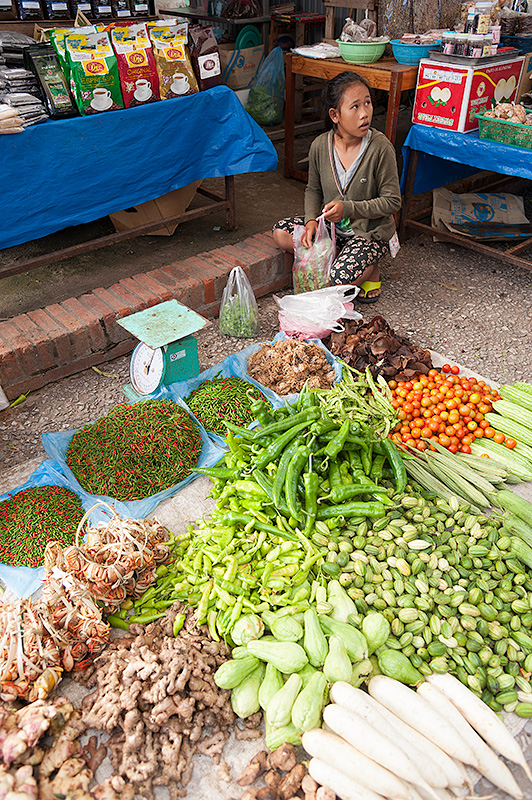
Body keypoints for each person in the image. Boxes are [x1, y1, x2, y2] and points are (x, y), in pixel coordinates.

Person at [273, 71, 402, 303]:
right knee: (281, 233)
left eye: (368, 103)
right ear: (335, 115)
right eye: (355, 107)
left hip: (370, 232)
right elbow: (313, 189)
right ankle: (342, 257)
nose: (365, 113)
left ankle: (370, 268)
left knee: (337, 280)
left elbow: (392, 201)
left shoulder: (380, 148)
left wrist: (349, 208)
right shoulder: (320, 146)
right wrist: (312, 220)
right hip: (333, 230)